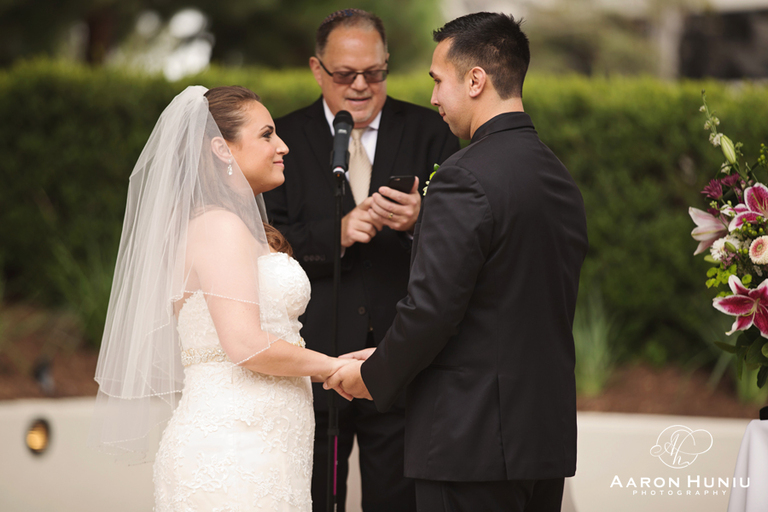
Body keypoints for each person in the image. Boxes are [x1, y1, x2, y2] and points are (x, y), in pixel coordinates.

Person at [325, 12, 589, 512]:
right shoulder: (557, 177)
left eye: (438, 81)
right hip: (542, 439)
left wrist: (375, 375)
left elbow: (432, 310)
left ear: (475, 80)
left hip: (472, 443)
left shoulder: (461, 176)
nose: (433, 98)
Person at [90, 85, 352, 511]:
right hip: (233, 453)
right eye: (267, 135)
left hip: (266, 448)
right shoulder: (218, 225)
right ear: (221, 148)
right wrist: (334, 368)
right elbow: (245, 344)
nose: (282, 146)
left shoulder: (238, 227)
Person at [262, 9, 459, 512]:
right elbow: (265, 238)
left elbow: (463, 240)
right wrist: (340, 233)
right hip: (314, 356)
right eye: (344, 74)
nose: (360, 86)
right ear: (316, 68)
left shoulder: (430, 131)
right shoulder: (280, 140)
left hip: (397, 359)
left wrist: (421, 218)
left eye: (374, 73)